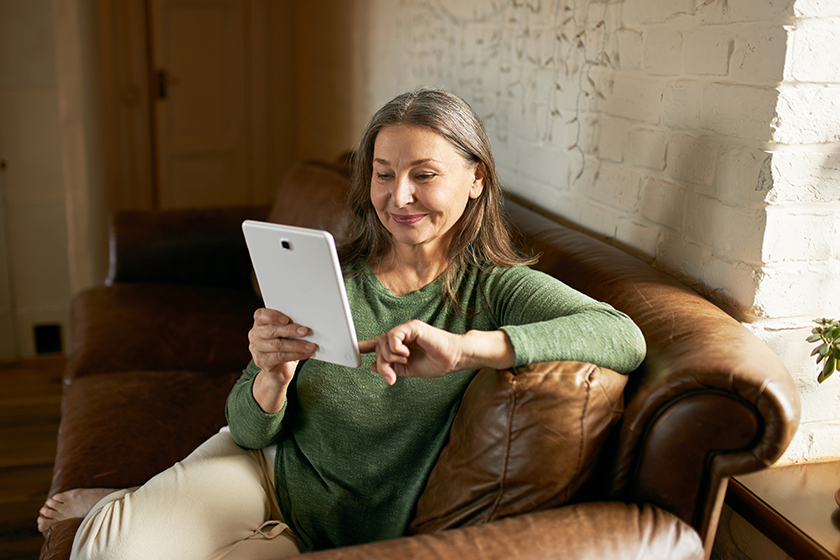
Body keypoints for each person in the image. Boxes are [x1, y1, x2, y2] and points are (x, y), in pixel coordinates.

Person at [38, 88, 646, 559]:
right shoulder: (335, 274)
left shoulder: (494, 289)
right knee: (107, 551)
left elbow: (623, 334)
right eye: (383, 173)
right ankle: (136, 510)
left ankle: (133, 503)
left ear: (477, 178)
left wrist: (465, 350)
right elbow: (248, 431)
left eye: (424, 174)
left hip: (333, 530)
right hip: (262, 470)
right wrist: (270, 377)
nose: (398, 196)